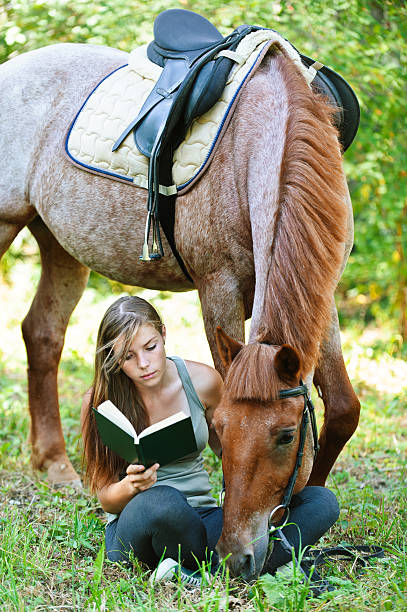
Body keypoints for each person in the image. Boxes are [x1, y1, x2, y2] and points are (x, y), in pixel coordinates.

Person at [81, 295, 339, 586]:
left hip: (203, 518)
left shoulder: (202, 381)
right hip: (141, 522)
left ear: (163, 334)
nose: (144, 363)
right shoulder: (102, 401)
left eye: (150, 347)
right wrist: (131, 486)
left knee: (321, 502)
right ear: (113, 359)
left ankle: (197, 574)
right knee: (165, 502)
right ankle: (263, 568)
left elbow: (231, 449)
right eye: (127, 356)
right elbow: (106, 498)